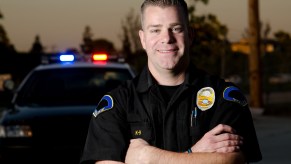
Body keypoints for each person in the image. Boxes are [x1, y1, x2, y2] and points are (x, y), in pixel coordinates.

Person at [80, 0, 262, 163]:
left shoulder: (224, 97)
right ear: (143, 39)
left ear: (190, 35)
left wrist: (149, 158)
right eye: (155, 30)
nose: (166, 38)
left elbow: (232, 161)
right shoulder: (117, 103)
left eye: (176, 28)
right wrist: (195, 154)